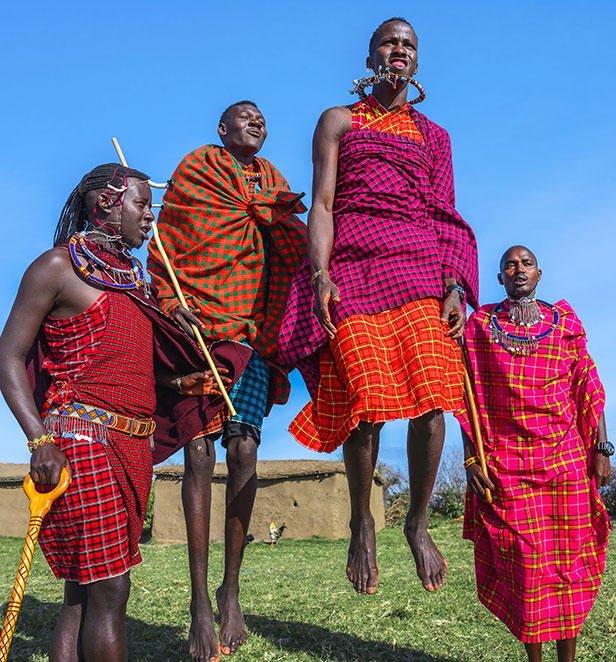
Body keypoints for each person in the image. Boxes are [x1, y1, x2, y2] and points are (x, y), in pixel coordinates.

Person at [0, 164, 248, 662]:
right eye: (142, 206)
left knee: (81, 595)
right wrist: (37, 440)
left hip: (132, 448)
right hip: (81, 440)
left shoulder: (139, 285)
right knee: (111, 591)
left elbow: (138, 364)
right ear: (106, 205)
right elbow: (7, 355)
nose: (150, 220)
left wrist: (175, 325)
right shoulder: (56, 268)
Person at [279, 17, 479, 596]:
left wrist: (456, 284)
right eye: (389, 42)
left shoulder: (433, 135)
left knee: (435, 393)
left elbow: (446, 213)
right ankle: (363, 516)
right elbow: (321, 204)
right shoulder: (337, 120)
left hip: (419, 268)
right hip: (354, 268)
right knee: (365, 398)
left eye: (408, 44)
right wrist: (318, 275)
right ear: (370, 57)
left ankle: (417, 518)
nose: (399, 50)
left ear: (416, 62)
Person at [148, 101, 307, 660]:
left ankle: (230, 590)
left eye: (263, 117)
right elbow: (164, 252)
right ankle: (197, 604)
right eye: (244, 117)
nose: (257, 122)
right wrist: (173, 304)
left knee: (243, 452)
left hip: (252, 336)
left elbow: (295, 254)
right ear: (221, 129)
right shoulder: (195, 173)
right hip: (197, 330)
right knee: (197, 454)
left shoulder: (276, 183)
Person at [457, 245, 611, 662]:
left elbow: (588, 387)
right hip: (507, 467)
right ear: (499, 279)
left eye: (526, 264)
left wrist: (602, 447)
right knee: (526, 570)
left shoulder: (564, 322)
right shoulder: (480, 326)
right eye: (509, 264)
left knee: (568, 571)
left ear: (539, 274)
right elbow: (464, 396)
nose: (518, 269)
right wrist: (471, 459)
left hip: (565, 465)